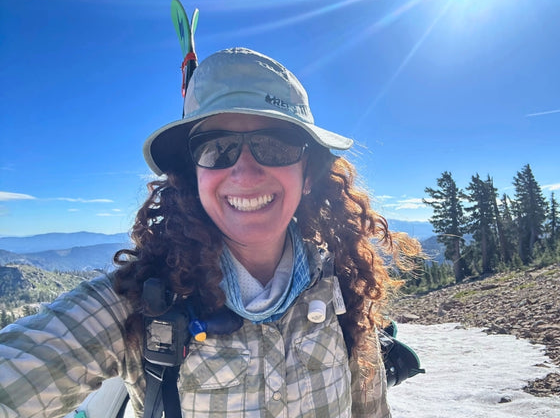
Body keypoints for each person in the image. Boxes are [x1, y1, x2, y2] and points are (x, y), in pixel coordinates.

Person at [0, 47, 421, 417]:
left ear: (307, 174)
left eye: (275, 144)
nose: (245, 171)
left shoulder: (340, 287)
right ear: (193, 175)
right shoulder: (139, 302)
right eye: (215, 147)